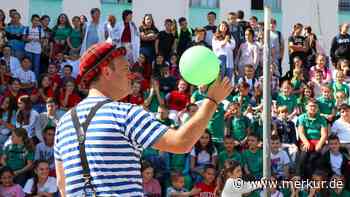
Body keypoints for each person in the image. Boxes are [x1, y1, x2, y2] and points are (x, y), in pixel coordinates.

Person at [54, 42, 232, 196]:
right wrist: (212, 100)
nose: (131, 75)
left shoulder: (64, 123)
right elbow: (181, 143)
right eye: (126, 69)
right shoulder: (124, 113)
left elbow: (62, 186)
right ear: (106, 72)